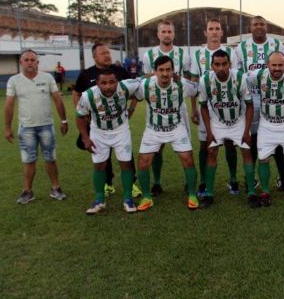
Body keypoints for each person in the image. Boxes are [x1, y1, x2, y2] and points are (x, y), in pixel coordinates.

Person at [73, 42, 140, 197]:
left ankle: (132, 184)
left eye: (108, 52)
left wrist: (131, 109)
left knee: (125, 154)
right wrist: (83, 112)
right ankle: (107, 183)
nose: (107, 55)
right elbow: (77, 94)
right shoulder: (87, 74)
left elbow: (135, 89)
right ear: (94, 56)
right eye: (103, 53)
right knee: (102, 154)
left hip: (118, 124)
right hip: (97, 123)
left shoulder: (119, 71)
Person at [134, 56, 200, 211]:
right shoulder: (145, 85)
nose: (165, 73)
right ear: (155, 72)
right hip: (153, 129)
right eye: (161, 70)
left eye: (168, 70)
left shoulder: (181, 84)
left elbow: (198, 89)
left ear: (173, 71)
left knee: (188, 159)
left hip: (176, 127)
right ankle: (146, 197)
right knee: (143, 162)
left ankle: (192, 194)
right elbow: (132, 94)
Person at [5, 49, 68, 204]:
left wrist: (64, 120)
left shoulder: (47, 78)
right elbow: (9, 105)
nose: (30, 62)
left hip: (46, 125)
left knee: (50, 158)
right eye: (26, 60)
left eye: (32, 60)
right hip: (26, 127)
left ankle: (55, 188)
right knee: (28, 160)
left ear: (37, 62)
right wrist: (7, 127)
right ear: (21, 63)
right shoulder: (14, 81)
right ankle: (27, 191)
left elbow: (57, 99)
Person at [141, 19, 194, 196]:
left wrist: (178, 79)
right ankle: (157, 182)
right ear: (158, 34)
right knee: (157, 146)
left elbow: (188, 80)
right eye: (163, 32)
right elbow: (146, 78)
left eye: (169, 32)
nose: (166, 35)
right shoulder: (149, 55)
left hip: (178, 107)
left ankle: (188, 182)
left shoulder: (183, 54)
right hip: (156, 106)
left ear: (173, 34)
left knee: (185, 145)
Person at [246, 51, 284, 206]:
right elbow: (241, 81)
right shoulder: (258, 76)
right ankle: (265, 192)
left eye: (280, 65)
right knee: (263, 158)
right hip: (266, 124)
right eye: (274, 65)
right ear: (268, 65)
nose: (277, 68)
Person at [236, 16, 284, 191]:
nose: (259, 27)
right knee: (252, 139)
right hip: (250, 100)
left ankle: (283, 177)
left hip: (273, 99)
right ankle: (251, 178)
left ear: (267, 27)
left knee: (279, 138)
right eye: (256, 24)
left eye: (262, 24)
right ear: (250, 27)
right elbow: (237, 75)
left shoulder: (277, 45)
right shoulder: (241, 48)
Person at [190, 18, 242, 196]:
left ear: (221, 33)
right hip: (207, 106)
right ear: (205, 32)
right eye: (210, 29)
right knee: (205, 145)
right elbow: (195, 82)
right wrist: (193, 108)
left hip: (229, 106)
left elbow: (235, 78)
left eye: (217, 29)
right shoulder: (198, 54)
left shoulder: (231, 52)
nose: (213, 32)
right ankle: (204, 181)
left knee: (229, 143)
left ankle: (233, 179)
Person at [198, 50, 256, 208]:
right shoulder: (204, 81)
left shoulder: (239, 77)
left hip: (238, 120)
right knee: (211, 151)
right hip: (218, 120)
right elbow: (203, 107)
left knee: (246, 150)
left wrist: (246, 131)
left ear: (230, 64)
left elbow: (250, 105)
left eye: (224, 64)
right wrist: (209, 132)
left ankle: (251, 192)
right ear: (212, 66)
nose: (221, 68)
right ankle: (209, 193)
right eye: (217, 64)